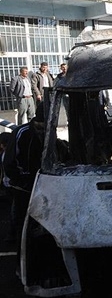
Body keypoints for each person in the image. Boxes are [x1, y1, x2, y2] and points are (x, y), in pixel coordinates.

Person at [3, 104, 44, 268]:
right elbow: (10, 163)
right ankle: (24, 267)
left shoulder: (48, 131)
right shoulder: (22, 132)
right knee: (24, 229)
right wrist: (23, 181)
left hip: (41, 186)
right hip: (23, 190)